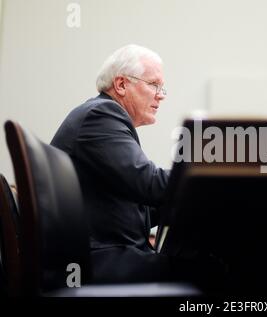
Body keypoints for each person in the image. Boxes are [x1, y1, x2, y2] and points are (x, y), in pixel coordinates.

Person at [51, 44, 223, 287]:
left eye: (161, 87)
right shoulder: (101, 115)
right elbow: (150, 183)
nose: (161, 95)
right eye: (154, 85)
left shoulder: (103, 116)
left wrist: (187, 203)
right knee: (216, 270)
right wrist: (211, 182)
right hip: (96, 262)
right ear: (121, 85)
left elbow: (137, 202)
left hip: (98, 255)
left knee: (200, 258)